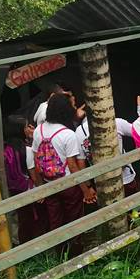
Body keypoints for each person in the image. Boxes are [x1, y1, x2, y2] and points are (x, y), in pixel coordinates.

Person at [32, 93, 95, 255]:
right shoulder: (68, 134)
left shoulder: (38, 130)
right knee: (75, 220)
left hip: (49, 183)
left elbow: (35, 159)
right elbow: (73, 167)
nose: (75, 108)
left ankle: (59, 254)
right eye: (72, 106)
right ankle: (75, 253)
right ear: (65, 110)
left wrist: (40, 186)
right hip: (68, 185)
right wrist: (85, 190)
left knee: (55, 220)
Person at [75, 113, 140, 196]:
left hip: (101, 183)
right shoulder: (116, 122)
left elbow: (81, 163)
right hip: (125, 178)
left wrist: (88, 186)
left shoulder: (79, 132)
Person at [4, 115, 45, 244]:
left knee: (18, 220)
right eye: (26, 126)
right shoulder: (26, 151)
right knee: (30, 222)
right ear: (20, 130)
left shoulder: (4, 149)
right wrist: (41, 190)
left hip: (12, 191)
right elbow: (34, 175)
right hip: (27, 191)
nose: (29, 129)